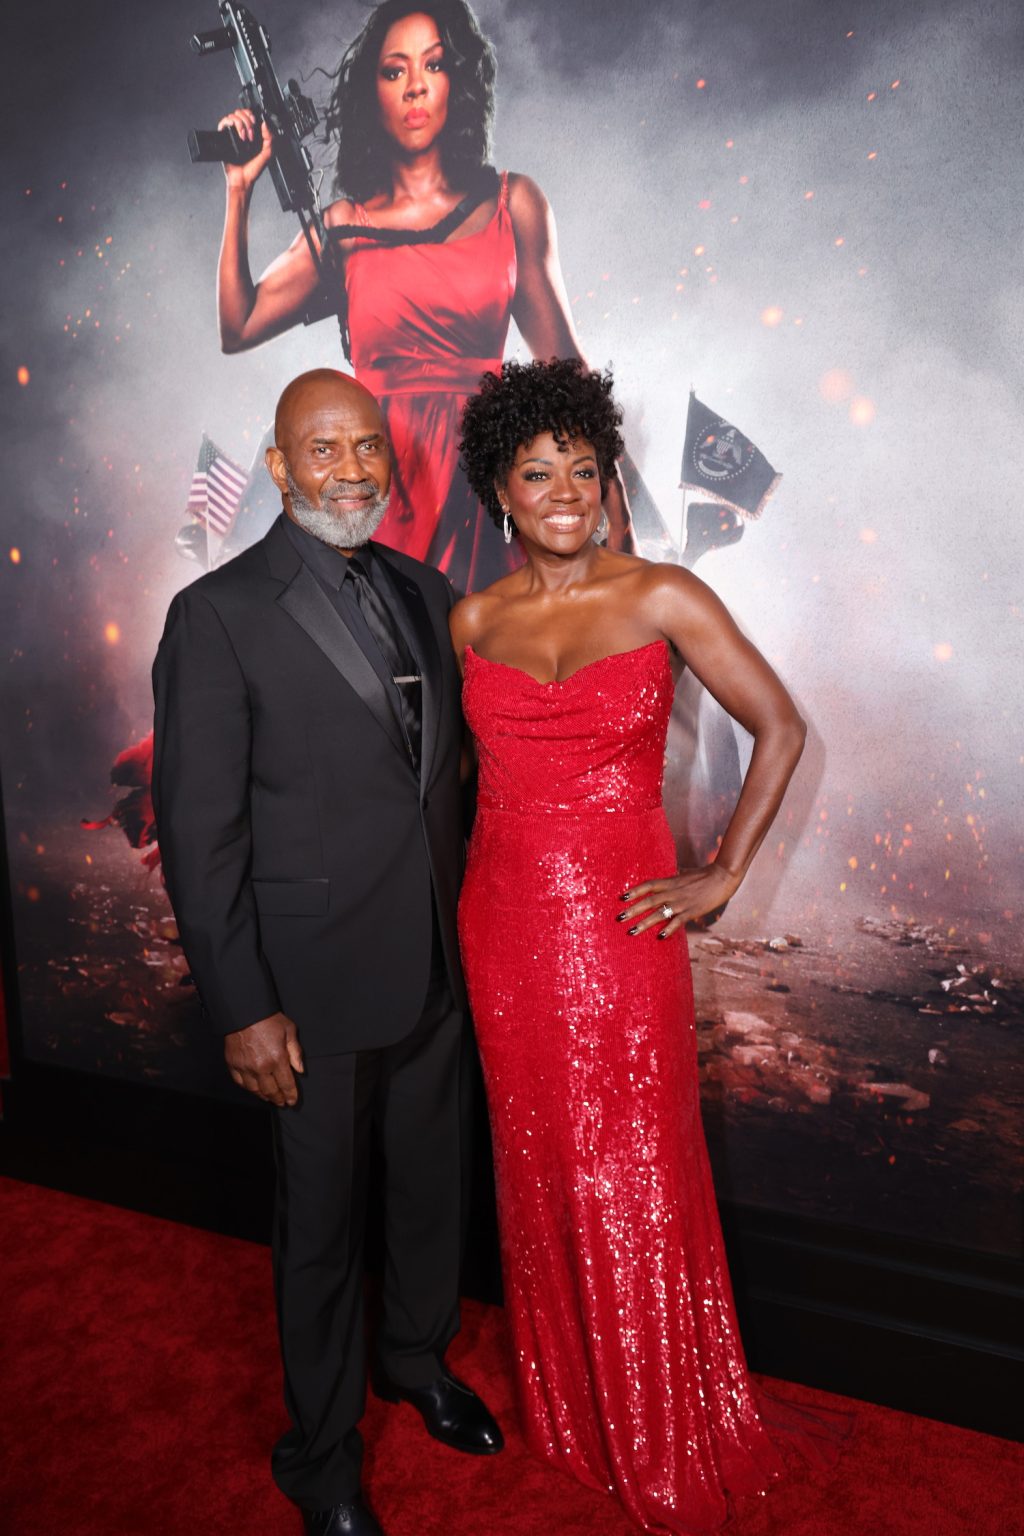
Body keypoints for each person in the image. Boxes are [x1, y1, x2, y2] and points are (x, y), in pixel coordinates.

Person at [451, 358, 846, 1533]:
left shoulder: (665, 594)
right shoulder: (473, 619)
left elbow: (781, 726)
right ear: (500, 493)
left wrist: (721, 873)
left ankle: (657, 1409)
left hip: (623, 930)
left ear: (607, 480)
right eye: (537, 472)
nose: (564, 490)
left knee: (633, 1163)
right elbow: (469, 783)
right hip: (503, 928)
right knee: (535, 1164)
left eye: (583, 468)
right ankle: (572, 1404)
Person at [152, 368, 502, 1536]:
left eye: (365, 448)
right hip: (305, 992)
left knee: (430, 1193)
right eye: (322, 449)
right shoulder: (216, 614)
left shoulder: (424, 588)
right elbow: (200, 833)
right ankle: (320, 1457)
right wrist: (242, 1007)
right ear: (277, 464)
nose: (349, 470)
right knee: (320, 1232)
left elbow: (440, 780)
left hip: (434, 967)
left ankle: (415, 1360)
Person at [214, 0, 637, 586]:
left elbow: (567, 371)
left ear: (458, 80)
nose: (415, 86)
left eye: (433, 65)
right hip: (380, 489)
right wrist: (239, 191)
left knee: (495, 639)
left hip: (487, 485)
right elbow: (239, 325)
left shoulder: (513, 204)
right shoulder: (343, 226)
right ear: (373, 92)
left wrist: (616, 501)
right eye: (395, 70)